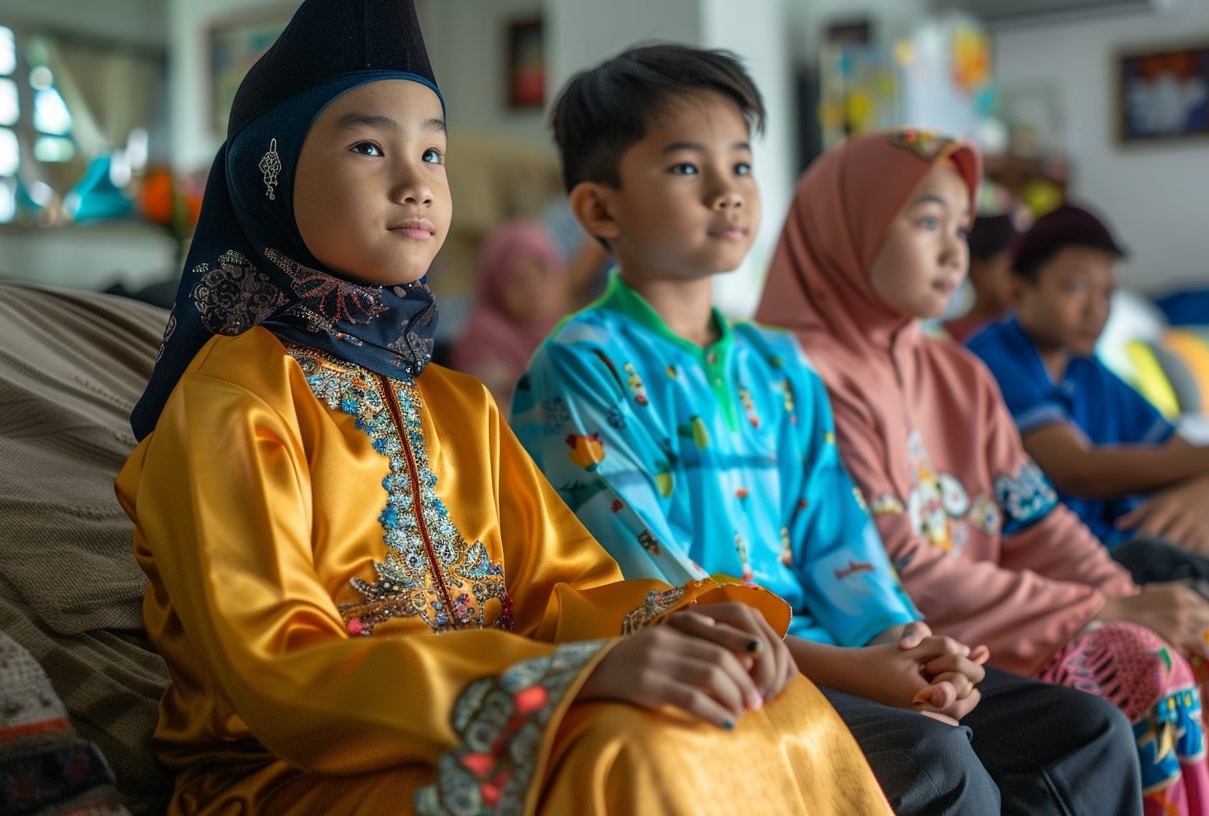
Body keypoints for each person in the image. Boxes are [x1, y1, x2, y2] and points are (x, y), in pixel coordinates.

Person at [115, 4, 897, 814]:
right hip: (289, 776)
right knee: (630, 746)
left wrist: (691, 626)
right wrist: (569, 677)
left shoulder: (458, 404)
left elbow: (565, 587)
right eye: (368, 146)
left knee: (771, 701)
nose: (415, 181)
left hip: (503, 714)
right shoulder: (231, 400)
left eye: (432, 152)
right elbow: (277, 666)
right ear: (266, 176)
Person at [512, 45, 1143, 816]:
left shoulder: (776, 363)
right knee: (932, 754)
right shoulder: (579, 367)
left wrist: (905, 646)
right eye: (686, 169)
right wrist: (857, 672)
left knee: (1086, 731)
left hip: (834, 653)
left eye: (741, 166)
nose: (727, 192)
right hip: (727, 670)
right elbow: (657, 594)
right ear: (599, 209)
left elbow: (840, 540)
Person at [755, 129, 1209, 816]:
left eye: (960, 226)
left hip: (1002, 617)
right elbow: (899, 569)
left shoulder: (958, 372)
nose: (956, 250)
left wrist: (1121, 592)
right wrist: (1099, 608)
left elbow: (1036, 516)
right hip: (918, 638)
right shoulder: (796, 376)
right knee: (1139, 666)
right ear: (848, 228)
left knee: (1189, 636)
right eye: (928, 222)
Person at [964, 204, 1209, 680]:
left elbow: (1184, 453)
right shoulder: (992, 358)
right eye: (1074, 286)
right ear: (1017, 289)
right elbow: (1077, 469)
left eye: (1108, 292)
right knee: (1180, 549)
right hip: (1080, 564)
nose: (1096, 309)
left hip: (1144, 536)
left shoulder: (1091, 373)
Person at [450, 219, 568, 412]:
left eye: (543, 275)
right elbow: (497, 415)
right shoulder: (482, 339)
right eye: (521, 281)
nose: (534, 291)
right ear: (496, 284)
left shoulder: (566, 328)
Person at [944, 212, 1019, 343]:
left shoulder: (1026, 337)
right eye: (1008, 270)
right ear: (976, 271)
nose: (1018, 279)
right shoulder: (945, 337)